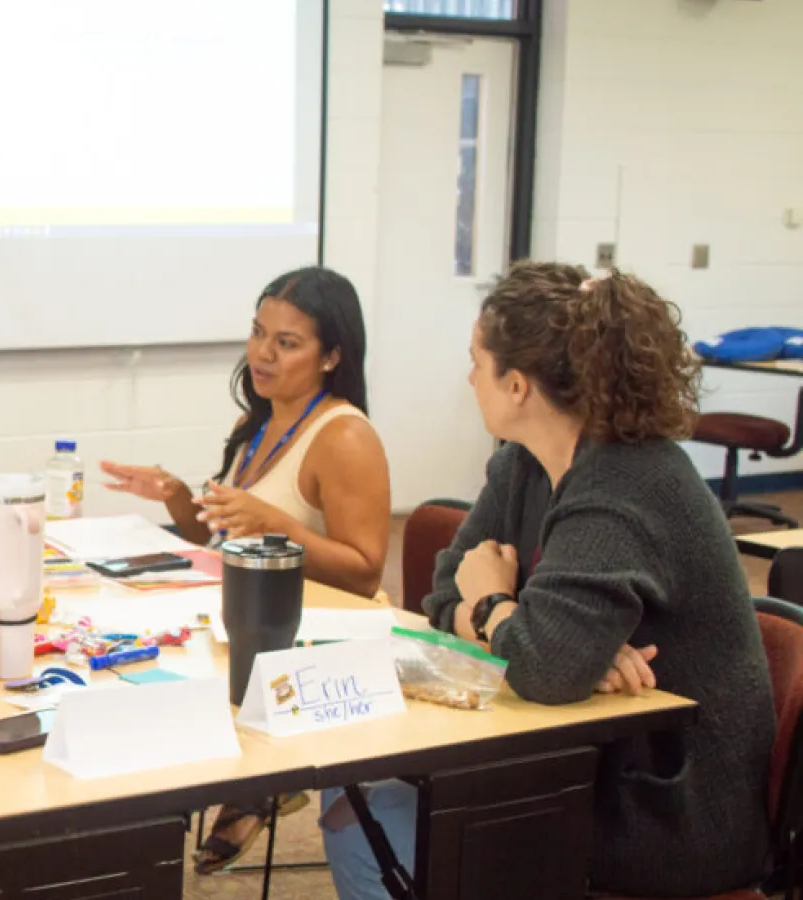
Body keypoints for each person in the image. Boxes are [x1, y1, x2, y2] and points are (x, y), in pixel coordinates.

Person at [322, 262, 774, 899]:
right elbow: (446, 585)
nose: (468, 377)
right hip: (580, 754)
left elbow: (543, 665)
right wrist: (518, 625)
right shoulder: (525, 464)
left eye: (476, 361)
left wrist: (504, 612)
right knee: (354, 809)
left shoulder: (625, 483)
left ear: (515, 386)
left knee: (366, 822)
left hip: (660, 817)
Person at [102, 267, 392, 873]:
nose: (262, 353)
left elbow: (365, 573)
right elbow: (219, 539)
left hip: (315, 635)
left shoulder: (344, 436)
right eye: (258, 333)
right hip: (246, 617)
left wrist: (274, 526)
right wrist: (179, 495)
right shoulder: (255, 421)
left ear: (332, 355)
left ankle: (254, 785)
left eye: (287, 343)